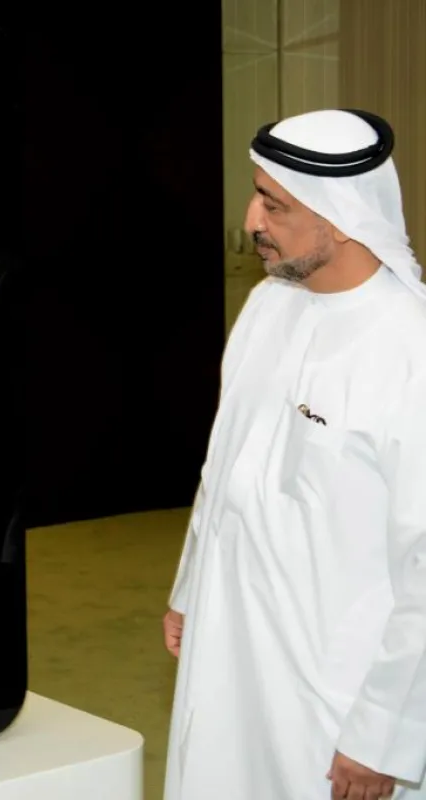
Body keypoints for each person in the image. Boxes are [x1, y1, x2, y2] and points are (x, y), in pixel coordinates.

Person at [163, 108, 426, 800]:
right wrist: (190, 590)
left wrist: (384, 734)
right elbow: (223, 468)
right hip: (230, 643)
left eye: (273, 204)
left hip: (335, 695)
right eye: (256, 197)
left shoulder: (410, 351)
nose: (252, 221)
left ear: (340, 217)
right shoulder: (266, 307)